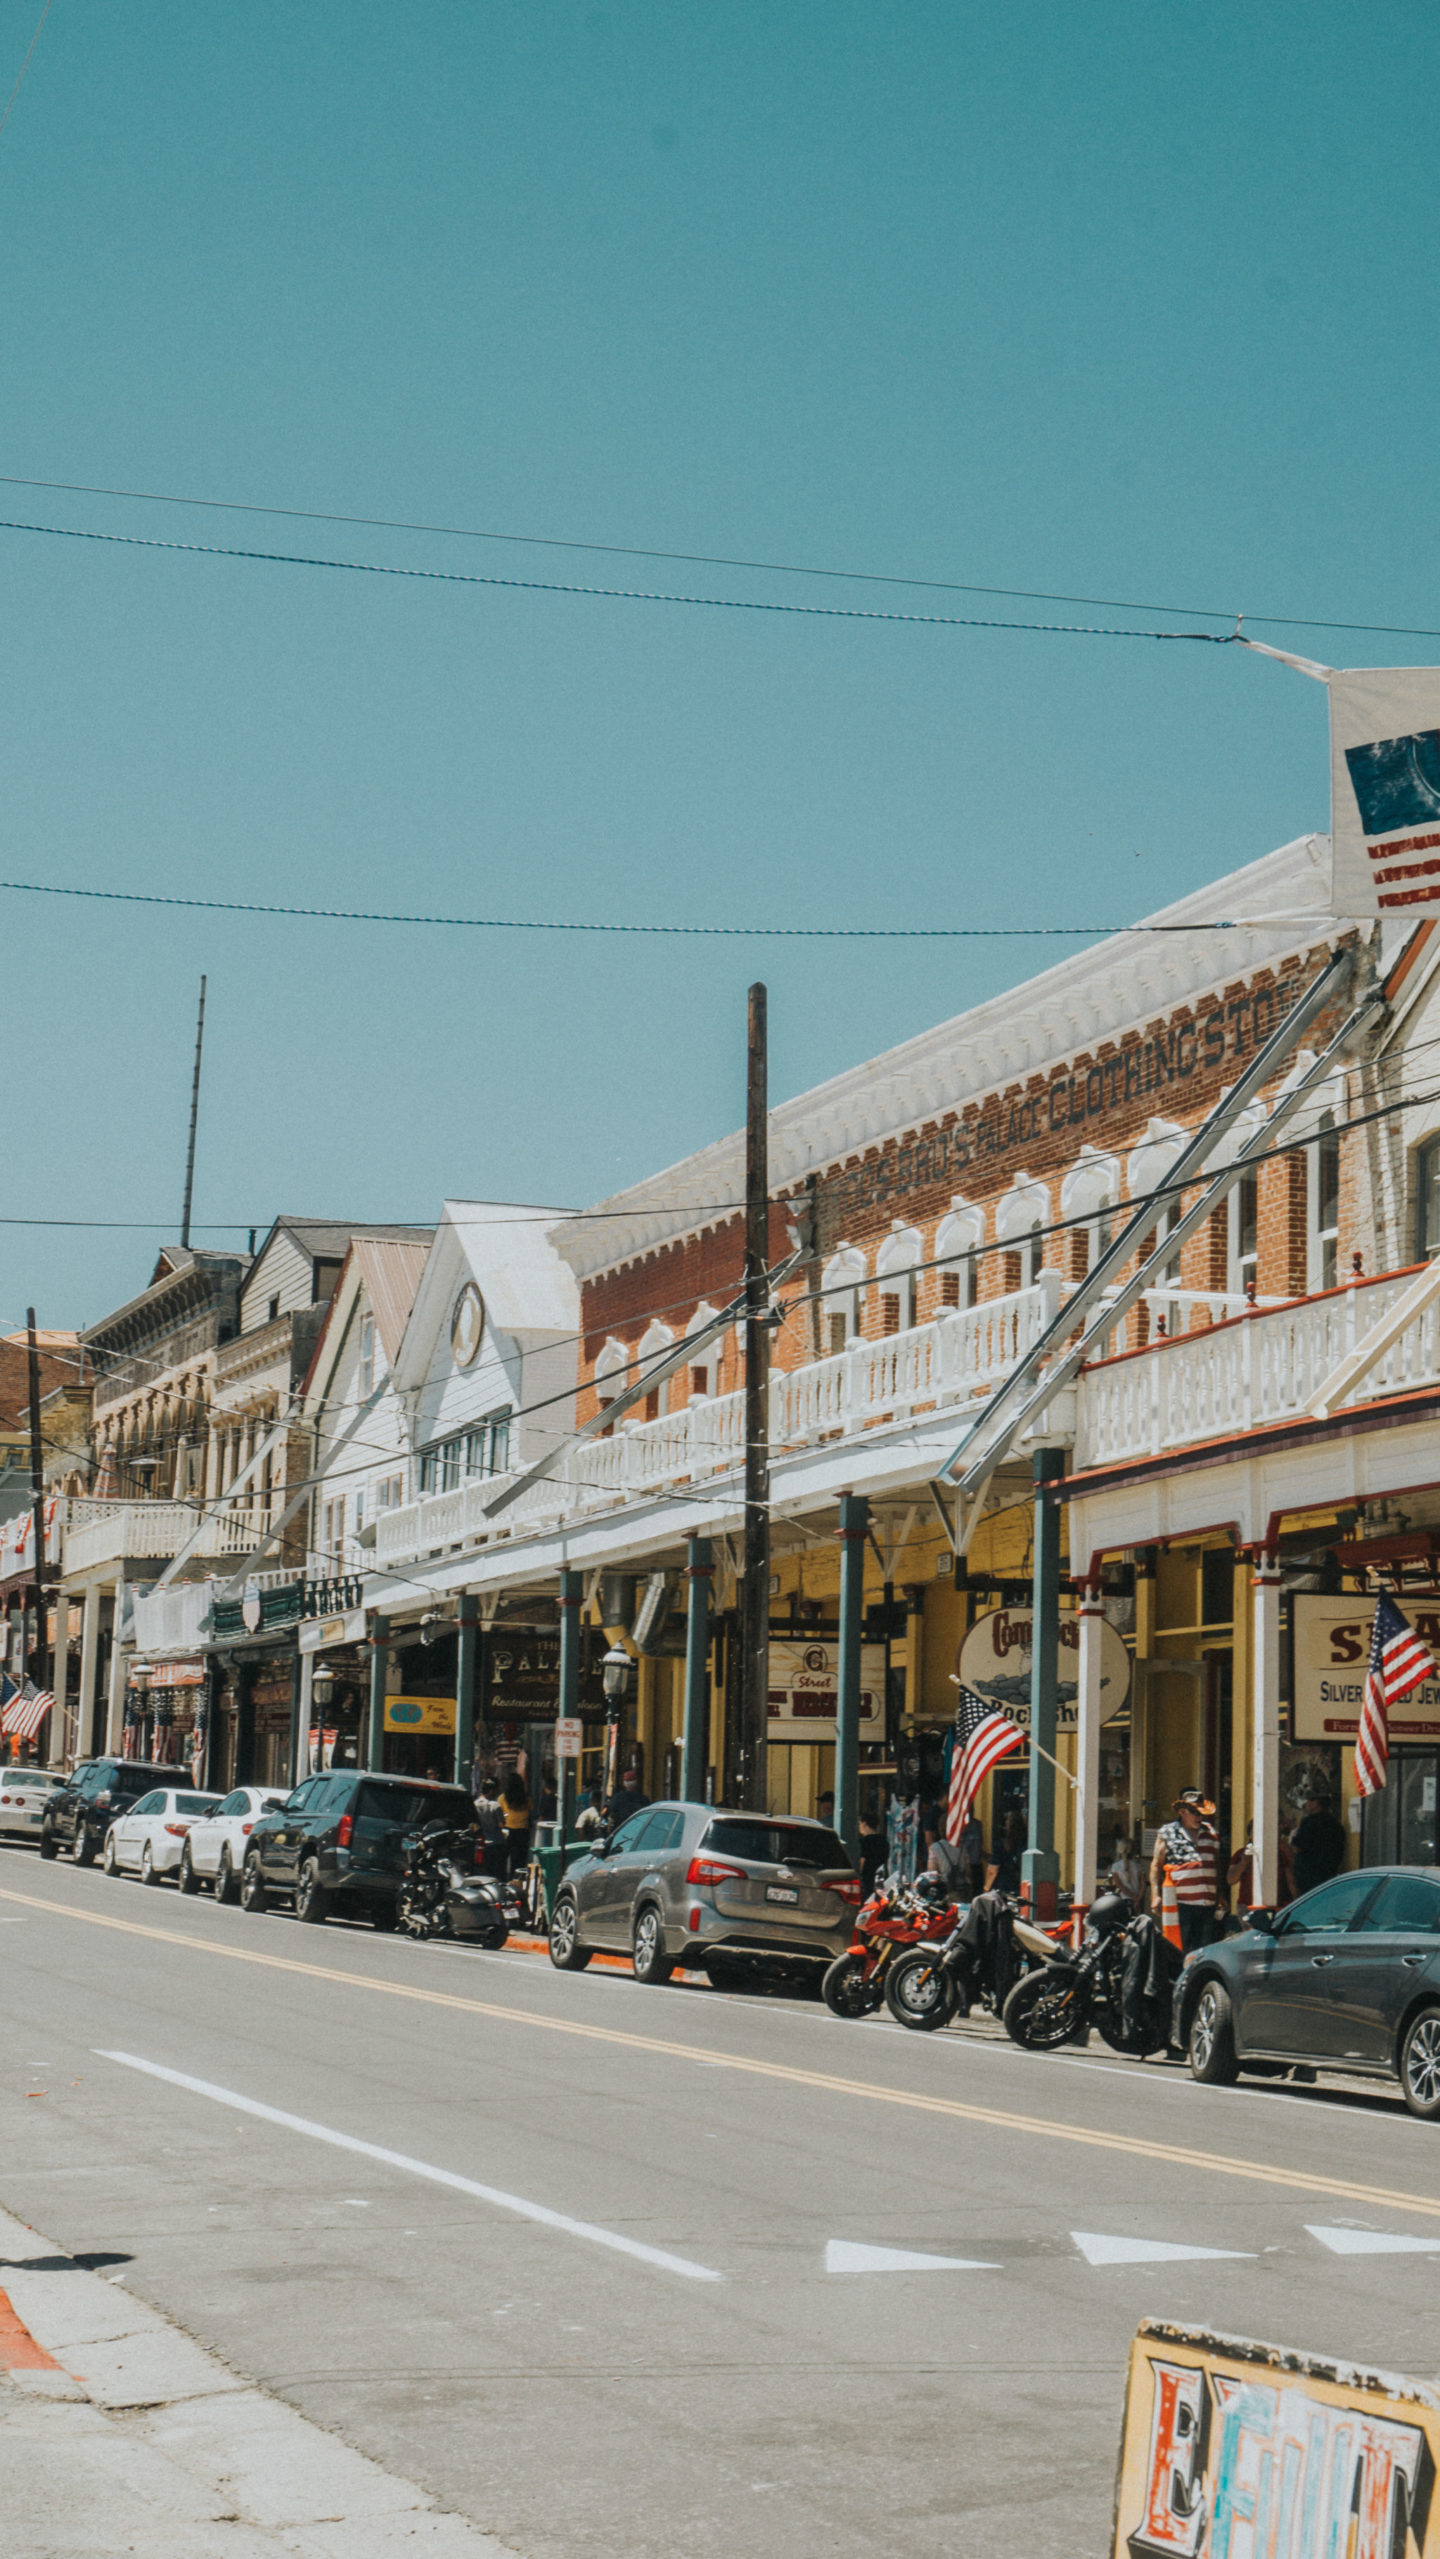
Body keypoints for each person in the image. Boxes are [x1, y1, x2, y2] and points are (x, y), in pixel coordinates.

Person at [1150, 1788, 1225, 1953]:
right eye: (1195, 1813)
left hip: (1207, 1903)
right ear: (1183, 1812)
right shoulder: (1167, 1832)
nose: (1199, 1817)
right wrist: (1155, 1895)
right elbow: (1156, 1865)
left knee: (1203, 1950)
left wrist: (1220, 1895)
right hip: (1180, 1903)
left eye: (1201, 1813)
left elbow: (1216, 1865)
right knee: (1177, 1947)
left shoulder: (1211, 1833)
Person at [1290, 1793, 1346, 1898]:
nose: (1307, 1803)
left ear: (1316, 1803)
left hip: (1308, 1875)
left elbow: (1297, 1847)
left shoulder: (1309, 1823)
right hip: (1329, 1874)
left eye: (1310, 1800)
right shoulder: (1336, 1824)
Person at [500, 1769, 532, 1880]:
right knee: (519, 1859)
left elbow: (500, 1813)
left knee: (504, 1857)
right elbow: (530, 1811)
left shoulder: (503, 1798)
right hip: (523, 1831)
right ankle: (518, 1880)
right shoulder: (526, 1798)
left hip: (508, 1830)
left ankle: (505, 1879)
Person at [605, 1764, 649, 1830]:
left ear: (624, 1783)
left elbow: (610, 1813)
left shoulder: (617, 1798)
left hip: (620, 1831)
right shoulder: (643, 1799)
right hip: (637, 1830)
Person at [1107, 1836, 1146, 1907]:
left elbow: (1118, 1884)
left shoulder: (1115, 1866)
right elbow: (1143, 1884)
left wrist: (1131, 1896)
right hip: (1138, 1898)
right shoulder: (1138, 1866)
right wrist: (1138, 1898)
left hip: (1123, 1898)